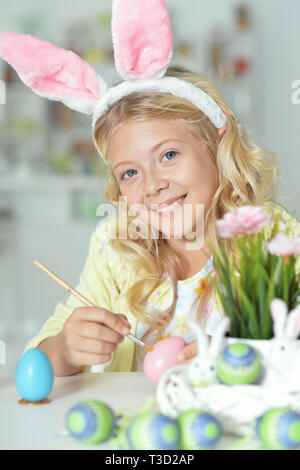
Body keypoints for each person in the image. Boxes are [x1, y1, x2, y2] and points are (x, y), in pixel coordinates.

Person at [0, 1, 299, 377]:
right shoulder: (117, 246)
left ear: (217, 146)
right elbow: (41, 357)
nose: (153, 185)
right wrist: (65, 349)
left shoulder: (272, 235)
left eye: (169, 154)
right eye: (129, 173)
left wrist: (253, 354)